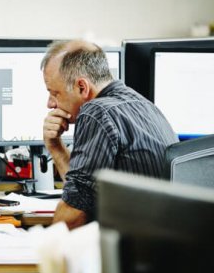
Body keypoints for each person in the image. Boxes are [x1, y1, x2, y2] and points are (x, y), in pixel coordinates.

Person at [41, 40, 179, 229]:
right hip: (159, 245)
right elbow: (80, 194)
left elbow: (74, 215)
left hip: (133, 250)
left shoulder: (96, 112)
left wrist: (36, 250)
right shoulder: (143, 105)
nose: (50, 104)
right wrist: (55, 147)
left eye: (54, 93)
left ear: (82, 87)